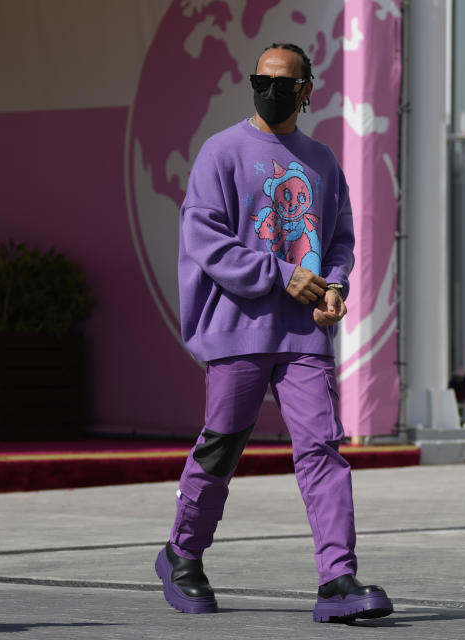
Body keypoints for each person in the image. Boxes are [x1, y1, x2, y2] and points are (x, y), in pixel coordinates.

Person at [153, 43, 394, 623]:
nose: (271, 89)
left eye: (284, 82)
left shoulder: (321, 161)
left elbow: (339, 240)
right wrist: (283, 274)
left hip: (304, 335)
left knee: (321, 448)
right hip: (237, 327)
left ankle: (338, 579)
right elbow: (206, 240)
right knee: (224, 443)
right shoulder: (221, 152)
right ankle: (182, 554)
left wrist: (333, 286)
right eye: (261, 80)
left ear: (307, 90)